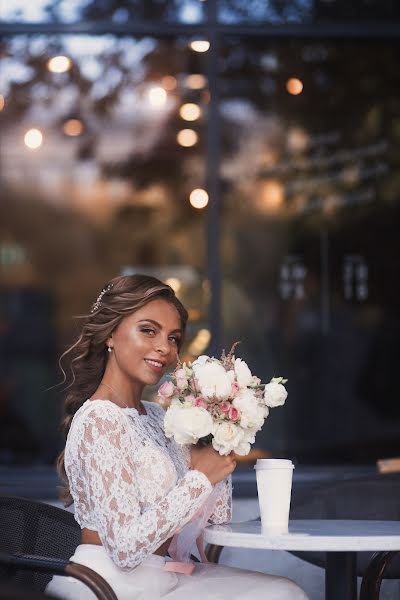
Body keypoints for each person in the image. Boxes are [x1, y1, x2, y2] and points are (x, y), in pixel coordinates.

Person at [46, 274, 308, 600]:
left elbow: (214, 521)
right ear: (111, 334)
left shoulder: (159, 417)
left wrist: (217, 436)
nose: (164, 348)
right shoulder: (99, 419)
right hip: (111, 584)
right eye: (148, 330)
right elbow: (125, 550)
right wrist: (199, 477)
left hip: (166, 575)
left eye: (173, 338)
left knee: (285, 590)